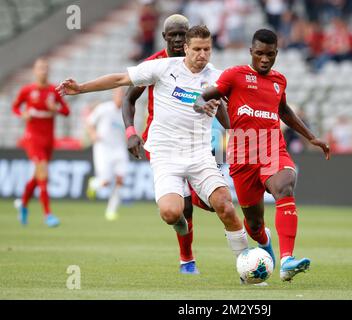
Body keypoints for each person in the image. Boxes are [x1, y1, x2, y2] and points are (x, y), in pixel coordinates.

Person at [56, 25, 249, 279]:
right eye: (198, 49)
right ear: (187, 49)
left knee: (225, 205)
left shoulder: (218, 77)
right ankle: (180, 225)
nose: (203, 55)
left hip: (199, 153)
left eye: (207, 49)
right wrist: (81, 88)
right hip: (165, 154)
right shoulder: (163, 67)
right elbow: (119, 80)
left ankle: (247, 266)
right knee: (171, 213)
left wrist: (239, 120)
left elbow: (238, 109)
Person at [194, 29, 330, 282]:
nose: (264, 59)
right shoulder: (235, 75)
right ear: (251, 52)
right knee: (254, 225)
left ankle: (288, 260)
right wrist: (201, 104)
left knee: (284, 186)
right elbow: (206, 95)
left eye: (270, 54)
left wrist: (311, 137)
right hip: (242, 153)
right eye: (259, 54)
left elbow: (284, 111)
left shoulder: (279, 81)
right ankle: (265, 243)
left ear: (276, 53)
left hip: (271, 147)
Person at [123, 14, 214, 275]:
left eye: (181, 34)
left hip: (196, 141)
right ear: (163, 38)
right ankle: (187, 259)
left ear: (189, 38)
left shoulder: (200, 63)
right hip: (163, 143)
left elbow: (216, 97)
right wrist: (131, 131)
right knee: (181, 209)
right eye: (171, 35)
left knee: (208, 204)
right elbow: (128, 100)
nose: (176, 39)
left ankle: (200, 201)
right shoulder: (155, 65)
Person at [12, 58, 70, 227]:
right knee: (43, 172)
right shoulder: (27, 91)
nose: (43, 71)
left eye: (45, 68)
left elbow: (66, 111)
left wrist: (55, 109)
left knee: (38, 176)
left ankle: (23, 204)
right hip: (33, 138)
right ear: (35, 71)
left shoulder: (53, 91)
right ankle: (48, 214)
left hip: (48, 139)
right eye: (40, 68)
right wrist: (22, 115)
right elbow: (15, 107)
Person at [85, 88, 129, 221]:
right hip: (103, 148)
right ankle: (94, 184)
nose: (120, 97)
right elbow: (89, 122)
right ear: (113, 95)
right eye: (118, 94)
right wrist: (92, 134)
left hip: (119, 148)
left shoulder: (127, 112)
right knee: (105, 182)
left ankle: (111, 210)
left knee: (120, 179)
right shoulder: (104, 108)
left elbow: (129, 130)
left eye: (122, 94)